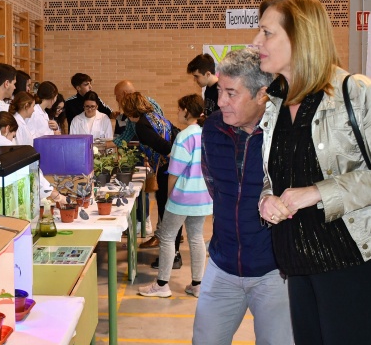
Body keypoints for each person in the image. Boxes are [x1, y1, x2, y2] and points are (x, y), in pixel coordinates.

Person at [255, 0, 371, 345]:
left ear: (300, 36)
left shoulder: (355, 93)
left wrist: (316, 193)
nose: (256, 41)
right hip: (300, 262)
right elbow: (276, 176)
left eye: (267, 33)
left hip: (358, 258)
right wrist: (268, 200)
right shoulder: (275, 104)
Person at [195, 47, 291, 345]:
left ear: (262, 94)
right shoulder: (212, 128)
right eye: (220, 90)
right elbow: (214, 184)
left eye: (231, 93)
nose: (220, 101)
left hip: (275, 272)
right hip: (222, 265)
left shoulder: (288, 131)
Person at [138, 94, 211, 298]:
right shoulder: (206, 134)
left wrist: (170, 196)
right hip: (203, 196)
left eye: (180, 109)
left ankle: (162, 285)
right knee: (196, 237)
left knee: (168, 237)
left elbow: (174, 172)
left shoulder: (184, 136)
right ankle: (198, 285)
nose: (177, 112)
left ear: (187, 111)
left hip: (183, 196)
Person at [119, 92, 181, 267]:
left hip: (168, 171)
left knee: (167, 213)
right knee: (172, 213)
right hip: (172, 169)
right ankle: (173, 254)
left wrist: (163, 162)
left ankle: (172, 257)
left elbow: (165, 148)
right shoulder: (155, 117)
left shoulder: (142, 126)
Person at [112, 80, 163, 146]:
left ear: (124, 94)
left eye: (117, 95)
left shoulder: (148, 105)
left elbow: (158, 135)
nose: (116, 99)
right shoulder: (132, 111)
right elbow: (126, 136)